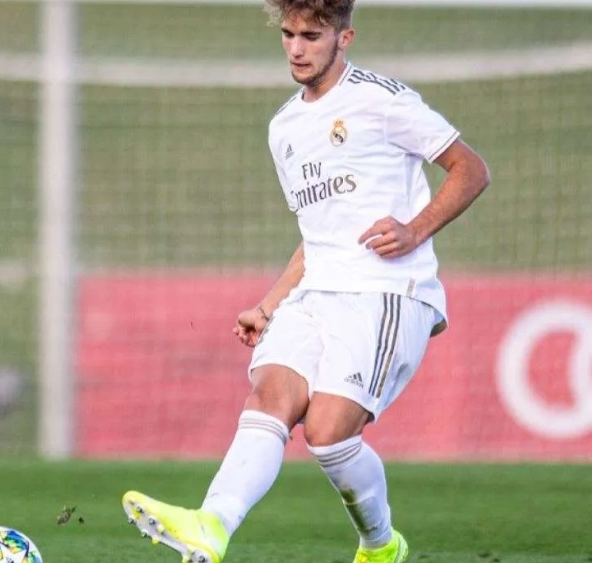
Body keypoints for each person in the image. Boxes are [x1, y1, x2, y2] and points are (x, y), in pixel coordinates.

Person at [122, 0, 490, 561]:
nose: (297, 48)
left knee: (327, 433)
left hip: (385, 292)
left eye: (312, 36)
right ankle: (211, 525)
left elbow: (472, 168)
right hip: (315, 293)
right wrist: (269, 303)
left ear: (344, 39)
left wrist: (415, 230)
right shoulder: (285, 127)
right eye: (289, 35)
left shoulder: (382, 101)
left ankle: (380, 544)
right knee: (271, 394)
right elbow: (318, 234)